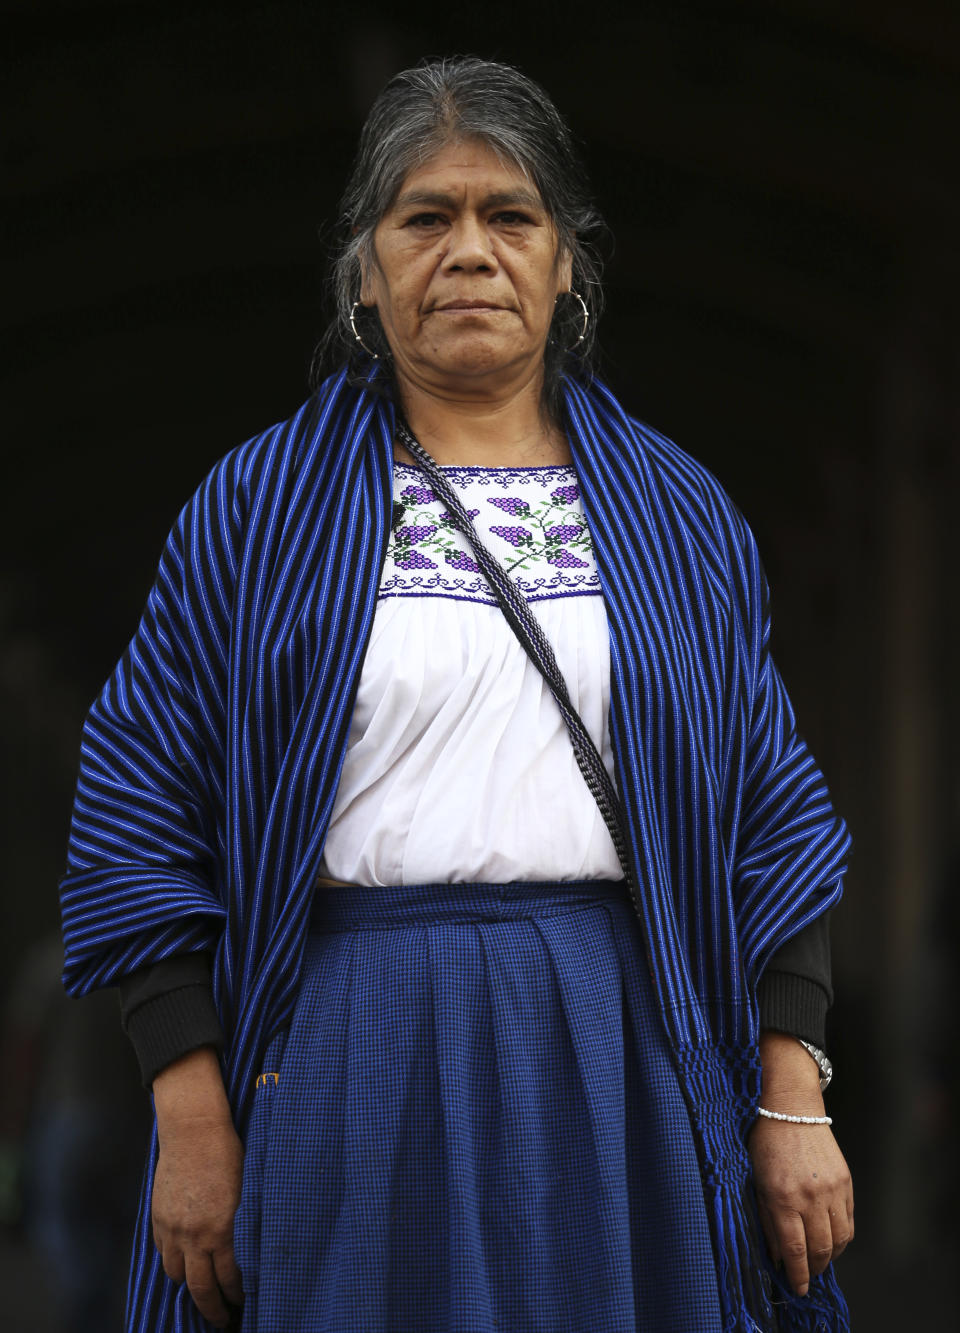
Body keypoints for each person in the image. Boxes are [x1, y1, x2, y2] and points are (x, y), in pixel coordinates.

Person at [58, 56, 854, 1333]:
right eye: (425, 218)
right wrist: (191, 1113)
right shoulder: (258, 511)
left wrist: (792, 1096)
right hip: (348, 1043)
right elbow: (137, 801)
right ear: (365, 273)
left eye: (511, 218)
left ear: (568, 267)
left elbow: (777, 821)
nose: (468, 252)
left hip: (622, 1044)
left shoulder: (679, 518)